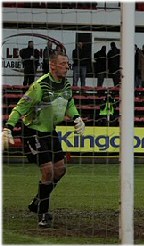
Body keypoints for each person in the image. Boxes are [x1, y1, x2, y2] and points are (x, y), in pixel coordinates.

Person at [2, 52, 85, 228]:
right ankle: (43, 213)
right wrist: (7, 128)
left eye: (67, 63)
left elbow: (69, 103)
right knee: (48, 171)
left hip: (49, 131)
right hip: (32, 131)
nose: (67, 66)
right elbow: (19, 108)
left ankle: (37, 201)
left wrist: (77, 118)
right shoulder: (39, 86)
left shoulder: (66, 85)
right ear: (52, 66)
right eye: (63, 63)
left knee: (61, 170)